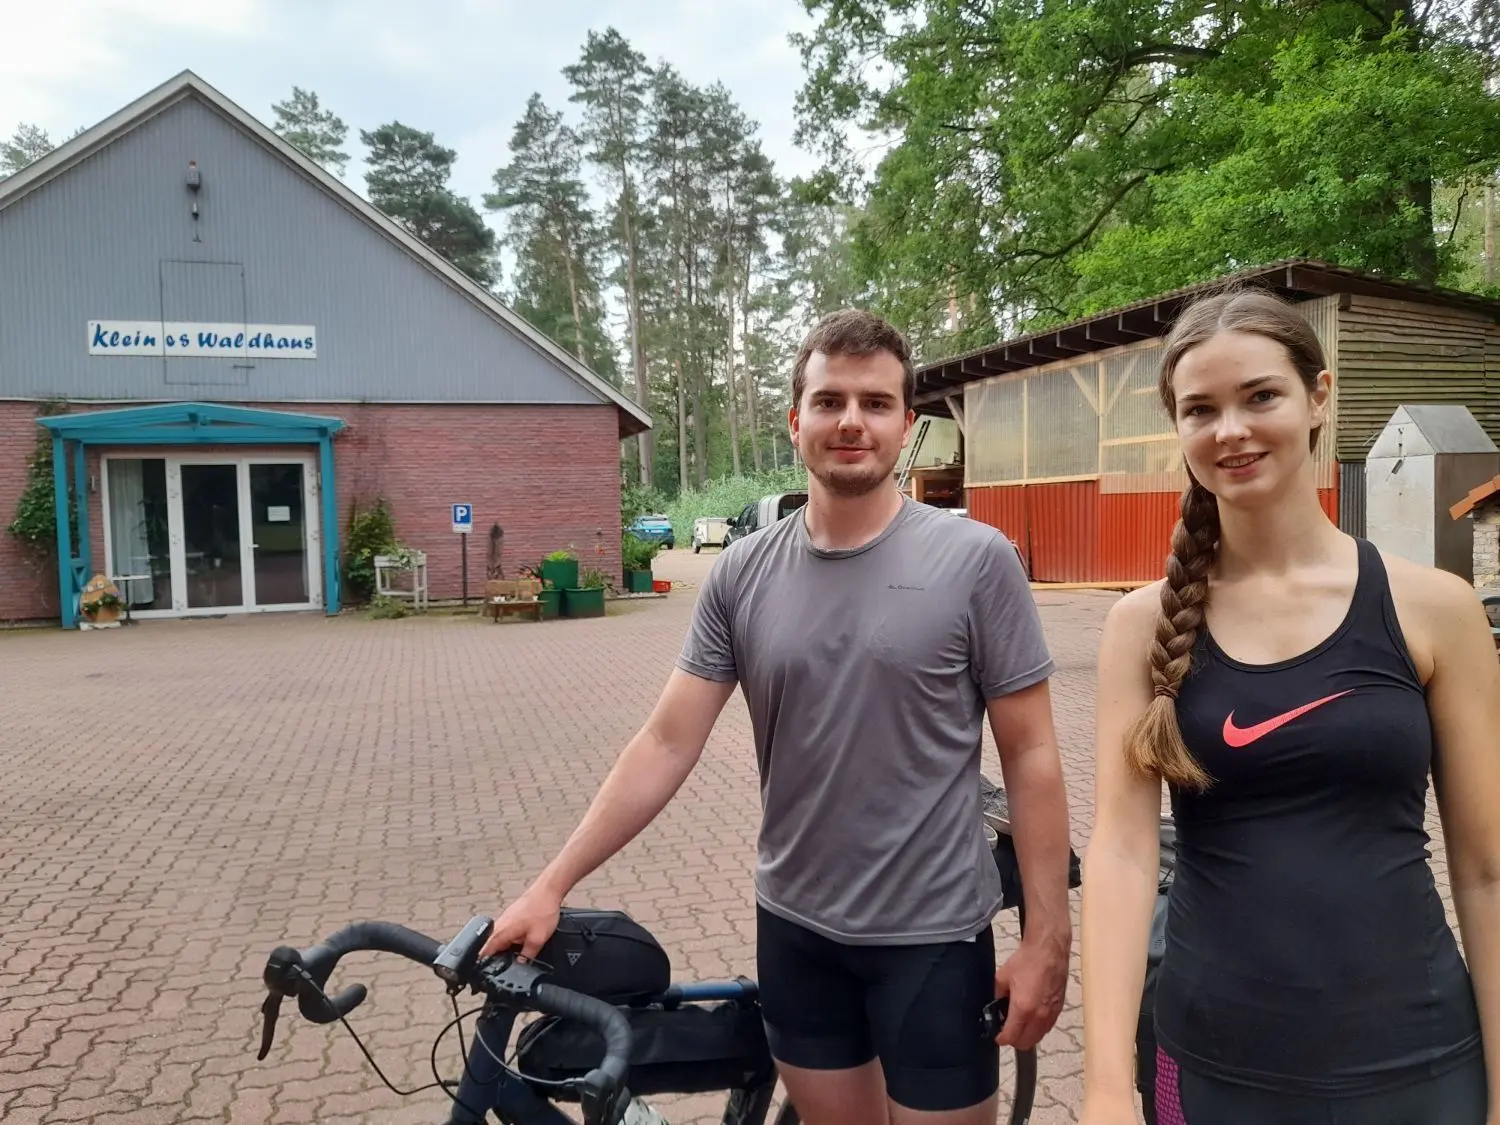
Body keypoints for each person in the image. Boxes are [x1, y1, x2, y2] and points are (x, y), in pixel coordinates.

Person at [480, 308, 1075, 1125]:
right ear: (797, 422)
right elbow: (665, 742)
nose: (852, 421)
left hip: (933, 939)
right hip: (798, 935)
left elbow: (1032, 755)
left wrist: (1047, 939)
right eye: (830, 401)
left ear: (906, 425)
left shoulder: (977, 561)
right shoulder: (742, 572)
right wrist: (550, 883)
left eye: (875, 402)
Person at [1078, 287, 1500, 1125]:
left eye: (1260, 395)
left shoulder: (1434, 608)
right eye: (1201, 409)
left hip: (1417, 1064)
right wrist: (1104, 1088)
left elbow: (1487, 869)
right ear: (1178, 427)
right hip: (1210, 1066)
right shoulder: (1141, 626)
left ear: (1318, 396)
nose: (1230, 430)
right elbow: (1121, 856)